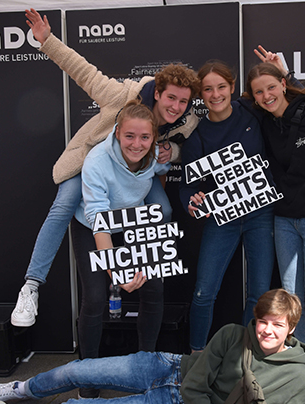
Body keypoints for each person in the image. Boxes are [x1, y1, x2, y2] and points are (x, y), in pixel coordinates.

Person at [11, 9, 200, 328]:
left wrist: (173, 149)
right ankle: (31, 287)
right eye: (171, 99)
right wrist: (48, 41)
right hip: (93, 166)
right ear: (157, 93)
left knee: (164, 209)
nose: (175, 107)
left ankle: (142, 264)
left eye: (183, 102)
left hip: (140, 171)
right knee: (63, 205)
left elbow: (188, 146)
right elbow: (84, 72)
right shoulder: (121, 97)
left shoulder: (187, 119)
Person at [0, 289, 305, 404]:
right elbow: (197, 383)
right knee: (77, 371)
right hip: (167, 367)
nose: (267, 330)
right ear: (255, 319)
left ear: (290, 329)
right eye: (264, 321)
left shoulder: (297, 376)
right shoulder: (233, 335)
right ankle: (21, 390)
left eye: (278, 324)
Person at [241, 60, 305, 399]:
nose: (266, 95)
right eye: (259, 92)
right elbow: (220, 108)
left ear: (283, 84)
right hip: (283, 220)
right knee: (293, 302)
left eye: (271, 87)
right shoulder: (264, 121)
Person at [70, 101, 170, 399]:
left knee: (153, 288)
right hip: (93, 226)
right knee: (96, 298)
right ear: (116, 132)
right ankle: (87, 376)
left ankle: (145, 367)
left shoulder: (152, 156)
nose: (136, 144)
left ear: (153, 138)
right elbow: (99, 220)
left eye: (144, 137)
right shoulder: (98, 161)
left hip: (132, 221)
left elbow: (161, 170)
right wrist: (117, 269)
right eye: (129, 136)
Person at [180, 61, 275, 353]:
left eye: (221, 87)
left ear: (232, 88)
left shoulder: (251, 109)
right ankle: (196, 355)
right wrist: (192, 202)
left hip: (261, 213)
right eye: (208, 89)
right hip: (223, 217)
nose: (215, 94)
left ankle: (246, 355)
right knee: (204, 291)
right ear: (201, 94)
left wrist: (283, 71)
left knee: (259, 292)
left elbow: (286, 101)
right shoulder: (197, 134)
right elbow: (187, 185)